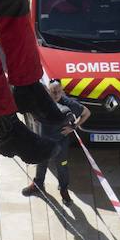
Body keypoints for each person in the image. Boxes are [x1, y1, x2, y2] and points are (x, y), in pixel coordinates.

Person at [21, 78, 90, 207]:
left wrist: (73, 127)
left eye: (59, 91)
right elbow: (29, 108)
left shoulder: (69, 104)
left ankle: (64, 190)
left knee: (62, 167)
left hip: (60, 144)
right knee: (41, 163)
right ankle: (38, 185)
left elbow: (86, 113)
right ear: (48, 90)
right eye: (53, 91)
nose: (56, 94)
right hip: (43, 141)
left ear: (62, 90)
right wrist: (34, 118)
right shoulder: (42, 101)